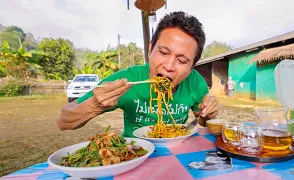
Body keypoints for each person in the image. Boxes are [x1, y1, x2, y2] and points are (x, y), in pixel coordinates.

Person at [56, 11, 220, 137]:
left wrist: (209, 113)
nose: (169, 66)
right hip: (134, 152)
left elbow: (202, 120)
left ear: (192, 66)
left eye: (182, 61)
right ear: (150, 49)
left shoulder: (195, 82)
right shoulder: (127, 80)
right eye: (163, 53)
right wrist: (94, 105)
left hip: (175, 153)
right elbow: (64, 121)